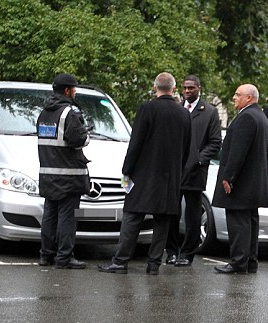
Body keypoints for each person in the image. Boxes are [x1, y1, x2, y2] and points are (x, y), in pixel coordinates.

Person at [98, 72, 191, 275]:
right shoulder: (183, 114)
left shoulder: (147, 109)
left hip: (144, 175)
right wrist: (177, 172)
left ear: (155, 87)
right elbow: (186, 149)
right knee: (162, 223)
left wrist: (126, 171)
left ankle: (121, 261)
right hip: (169, 178)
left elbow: (136, 143)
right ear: (173, 89)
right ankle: (154, 264)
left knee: (132, 218)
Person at [212, 84, 268, 274]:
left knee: (238, 223)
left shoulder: (246, 117)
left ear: (249, 98)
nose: (234, 97)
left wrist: (229, 177)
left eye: (238, 95)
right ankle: (249, 261)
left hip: (241, 183)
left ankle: (238, 262)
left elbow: (238, 151)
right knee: (250, 223)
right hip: (253, 182)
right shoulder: (260, 116)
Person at [165, 75, 222, 266]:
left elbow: (215, 143)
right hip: (175, 170)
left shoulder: (210, 112)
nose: (187, 91)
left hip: (195, 172)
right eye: (185, 88)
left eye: (191, 88)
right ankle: (171, 251)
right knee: (171, 213)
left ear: (199, 88)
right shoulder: (176, 109)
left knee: (192, 215)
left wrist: (198, 160)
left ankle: (187, 253)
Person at [37, 73, 90, 269]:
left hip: (48, 175)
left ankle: (45, 256)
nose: (75, 92)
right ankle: (64, 258)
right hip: (69, 177)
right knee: (67, 219)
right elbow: (77, 140)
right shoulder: (70, 112)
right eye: (74, 89)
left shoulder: (44, 112)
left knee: (50, 217)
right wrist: (87, 136)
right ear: (67, 91)